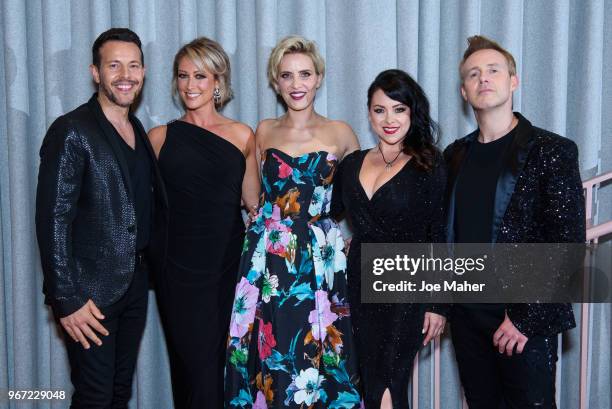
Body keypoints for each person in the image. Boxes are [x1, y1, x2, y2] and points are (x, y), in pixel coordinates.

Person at [445, 35, 585, 408]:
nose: (483, 79)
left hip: (522, 320)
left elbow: (567, 243)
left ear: (513, 81)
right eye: (474, 74)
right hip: (467, 318)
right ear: (464, 90)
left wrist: (526, 317)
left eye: (493, 70)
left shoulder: (552, 150)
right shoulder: (455, 155)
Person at [224, 35, 362, 408]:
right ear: (276, 82)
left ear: (318, 78)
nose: (296, 84)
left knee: (323, 344)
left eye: (304, 74)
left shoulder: (342, 133)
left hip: (321, 256)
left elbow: (361, 199)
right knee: (274, 345)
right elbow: (253, 197)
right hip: (270, 256)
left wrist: (348, 237)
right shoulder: (264, 130)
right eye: (287, 76)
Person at [35, 28, 167, 408]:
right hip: (90, 293)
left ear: (143, 72)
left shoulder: (136, 128)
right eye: (114, 65)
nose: (125, 75)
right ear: (95, 72)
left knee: (119, 393)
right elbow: (53, 218)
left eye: (133, 65)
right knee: (95, 396)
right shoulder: (72, 130)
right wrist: (66, 297)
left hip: (136, 284)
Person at [147, 37, 259, 409]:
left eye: (200, 75)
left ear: (217, 81)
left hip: (226, 267)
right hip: (175, 269)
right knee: (192, 365)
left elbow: (253, 204)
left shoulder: (242, 135)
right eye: (183, 76)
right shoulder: (160, 138)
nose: (190, 84)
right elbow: (140, 205)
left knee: (217, 367)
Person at [331, 69, 447, 409]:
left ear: (413, 113)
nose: (389, 119)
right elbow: (325, 212)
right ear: (368, 113)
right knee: (369, 380)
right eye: (380, 109)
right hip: (358, 283)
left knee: (388, 381)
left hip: (405, 282)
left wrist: (438, 304)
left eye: (399, 109)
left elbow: (439, 234)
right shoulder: (351, 164)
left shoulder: (428, 163)